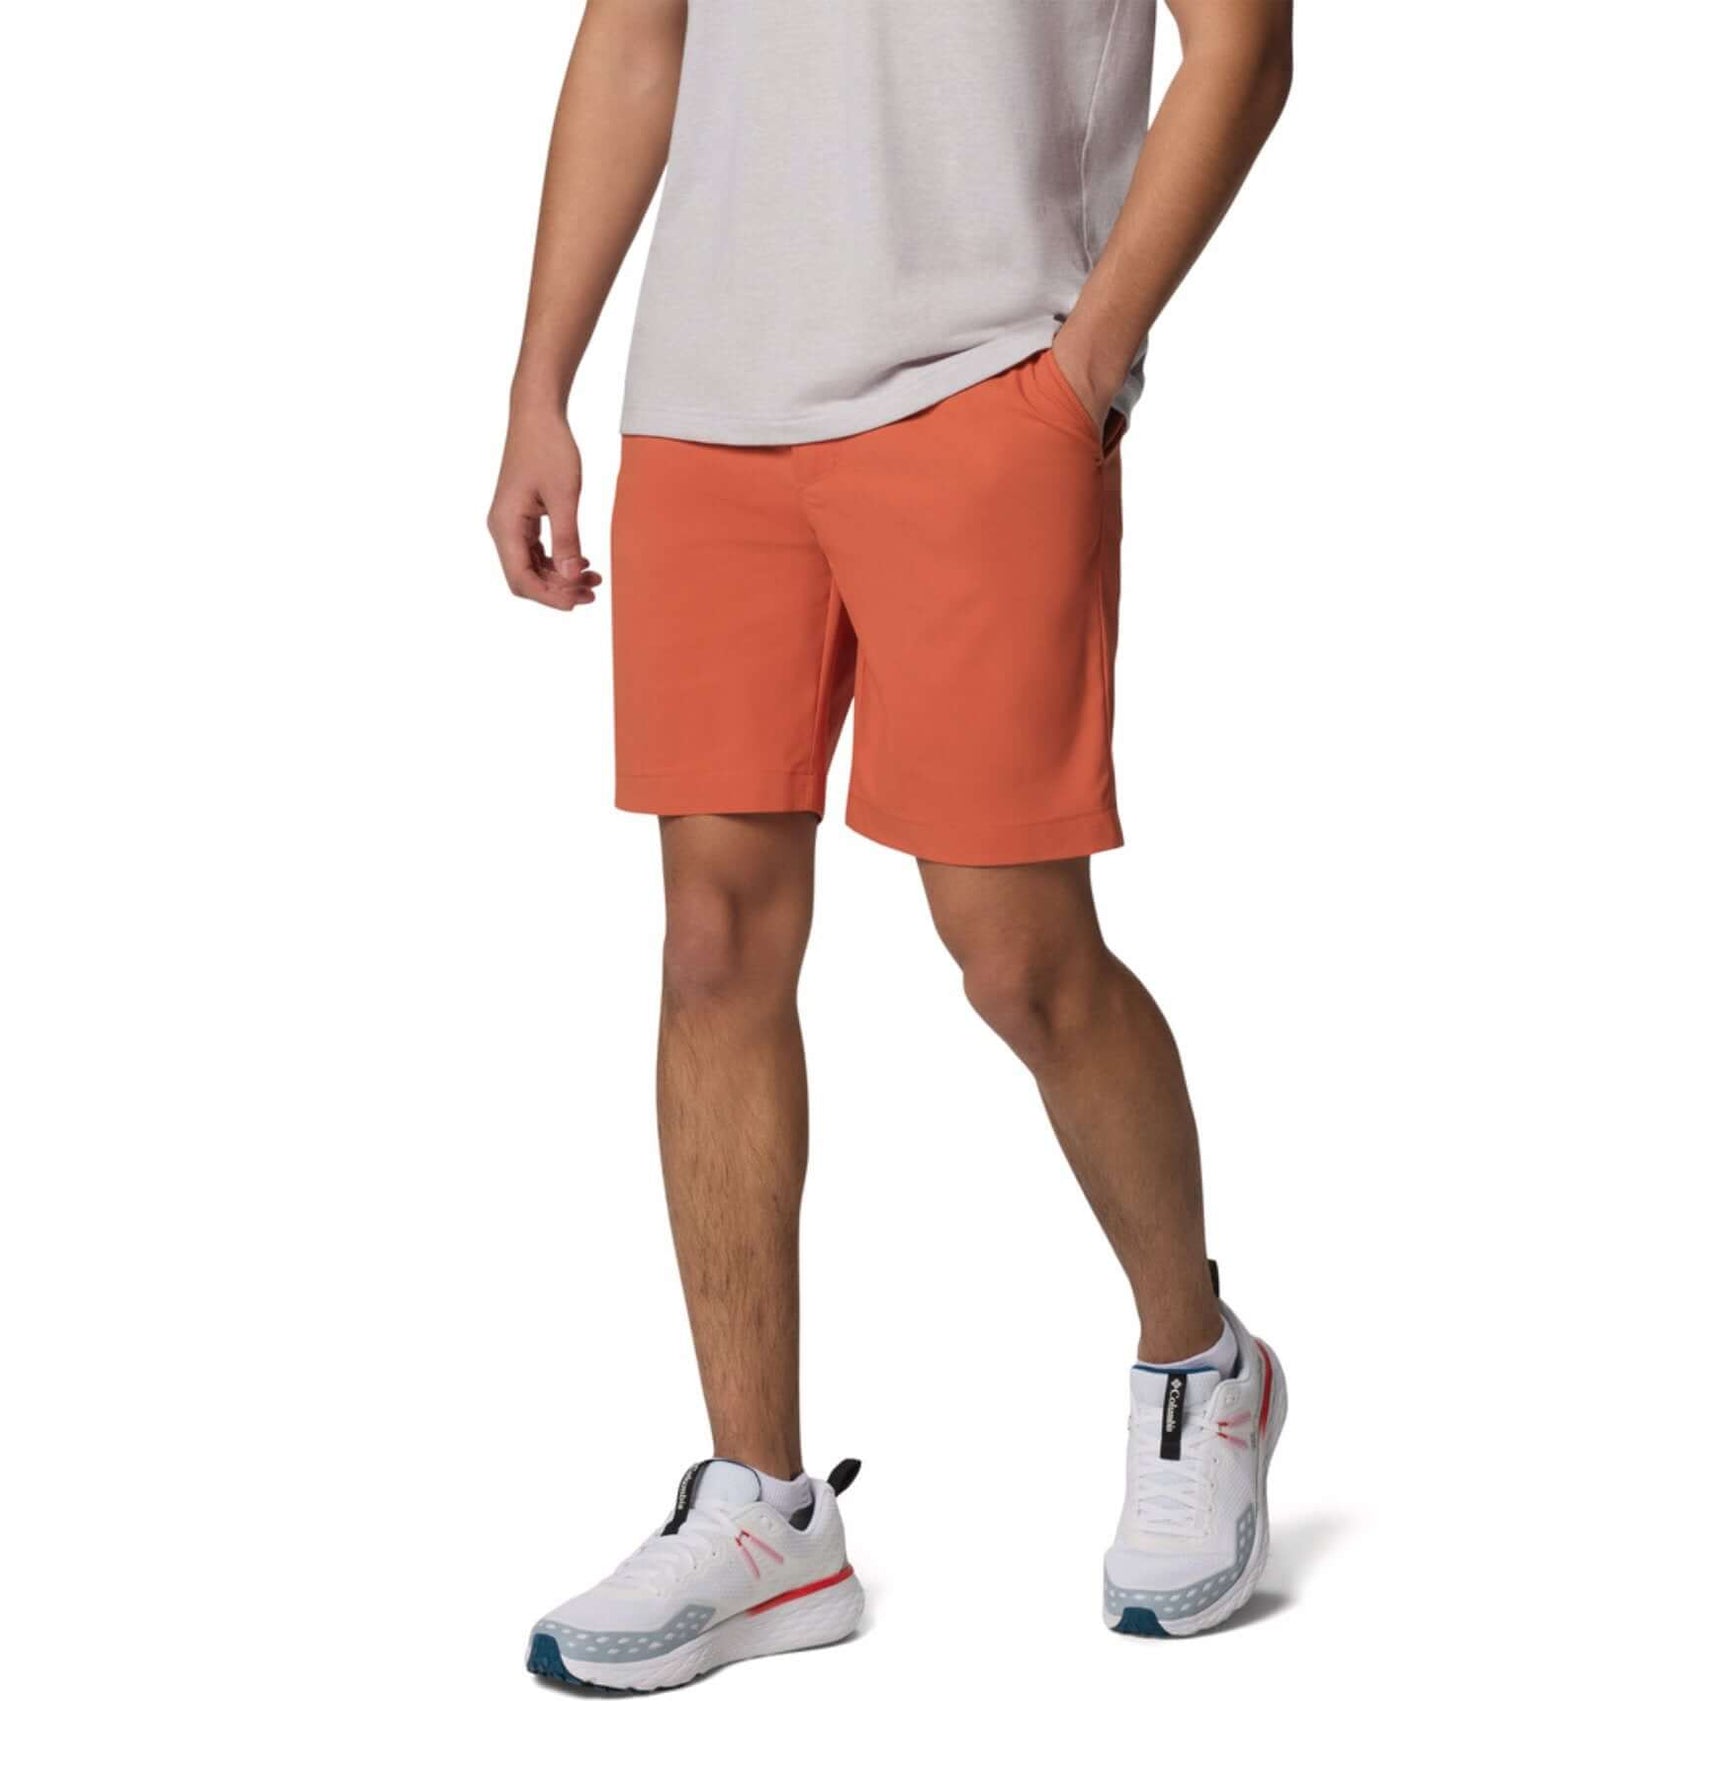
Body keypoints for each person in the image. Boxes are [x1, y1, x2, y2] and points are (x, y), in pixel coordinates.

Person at [491, 0, 1293, 1691]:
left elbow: (1242, 38)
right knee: (711, 947)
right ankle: (764, 1511)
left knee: (1016, 954)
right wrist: (540, 380)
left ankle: (1199, 1364)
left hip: (983, 384)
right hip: (707, 404)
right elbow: (636, 38)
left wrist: (1092, 356)